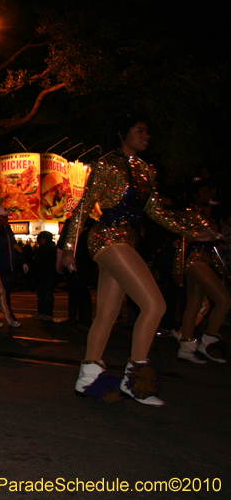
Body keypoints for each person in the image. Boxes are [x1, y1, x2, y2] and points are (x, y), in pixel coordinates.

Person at [63, 113, 211, 406]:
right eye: (140, 131)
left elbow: (156, 212)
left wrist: (194, 231)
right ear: (123, 133)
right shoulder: (106, 164)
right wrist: (69, 245)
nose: (147, 136)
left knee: (106, 312)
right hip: (106, 238)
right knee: (155, 305)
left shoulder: (146, 170)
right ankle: (137, 381)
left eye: (147, 132)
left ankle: (88, 376)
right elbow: (85, 203)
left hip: (126, 241)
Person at [172, 181, 230, 364]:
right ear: (196, 193)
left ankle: (186, 347)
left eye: (211, 191)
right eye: (205, 191)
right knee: (224, 300)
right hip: (194, 260)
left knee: (195, 304)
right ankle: (209, 339)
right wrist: (178, 268)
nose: (209, 195)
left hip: (203, 260)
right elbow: (182, 239)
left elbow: (213, 248)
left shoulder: (209, 215)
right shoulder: (191, 213)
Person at [32, 231, 58, 321]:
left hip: (48, 275)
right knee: (41, 295)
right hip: (40, 276)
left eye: (42, 238)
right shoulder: (40, 250)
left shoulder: (51, 250)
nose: (40, 240)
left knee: (48, 295)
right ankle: (41, 312)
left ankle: (48, 313)